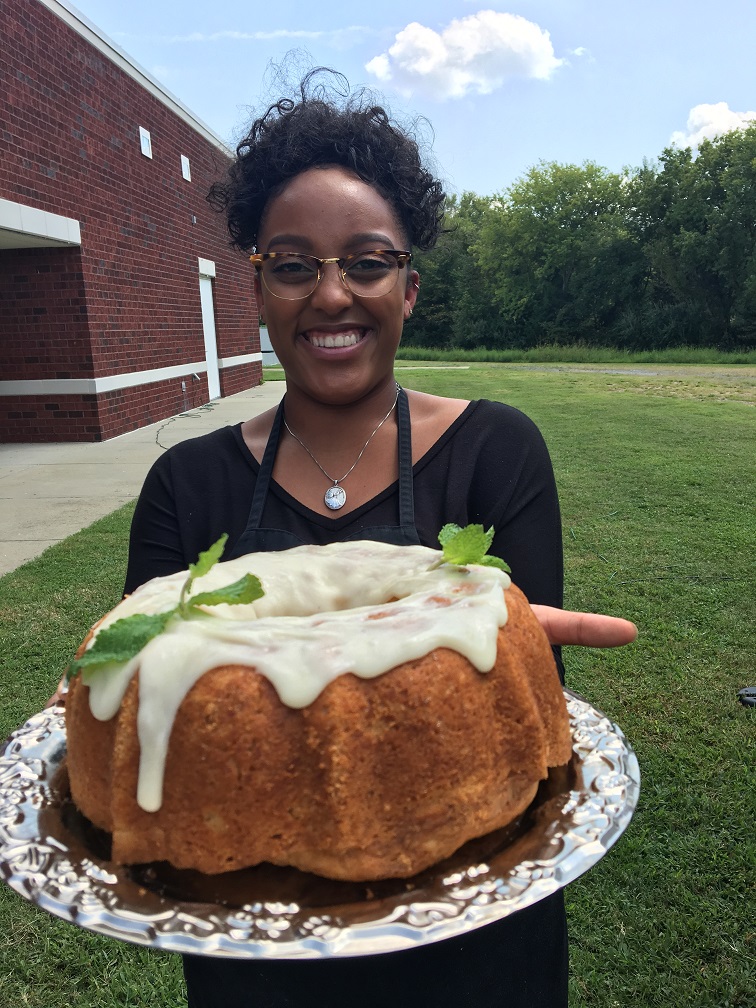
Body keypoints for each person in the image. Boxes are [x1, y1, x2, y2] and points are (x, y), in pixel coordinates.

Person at [119, 70, 636, 1008]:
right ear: (258, 289)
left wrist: (518, 645)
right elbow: (149, 701)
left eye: (366, 263)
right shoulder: (185, 485)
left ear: (409, 288)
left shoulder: (496, 449)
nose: (331, 295)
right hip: (255, 951)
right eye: (292, 265)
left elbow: (523, 709)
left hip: (479, 942)